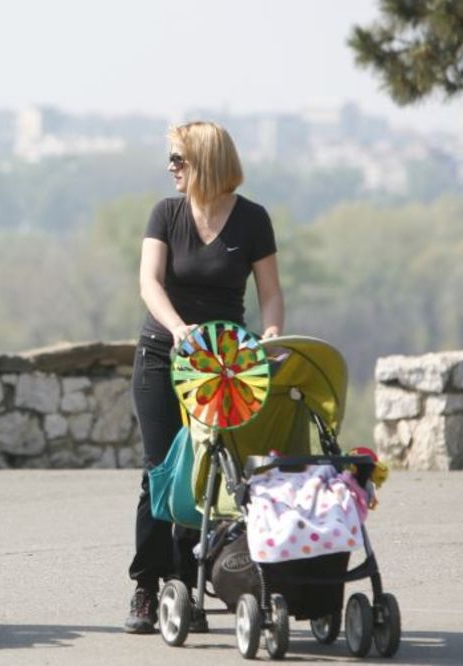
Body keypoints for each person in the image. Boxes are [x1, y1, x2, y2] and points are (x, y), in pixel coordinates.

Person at [124, 121, 284, 634]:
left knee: (211, 470)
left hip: (223, 364)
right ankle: (147, 586)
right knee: (161, 471)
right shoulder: (166, 214)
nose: (170, 167)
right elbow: (149, 283)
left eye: (179, 159)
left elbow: (270, 294)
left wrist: (271, 338)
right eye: (170, 158)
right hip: (162, 355)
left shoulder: (252, 220)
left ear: (206, 162)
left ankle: (189, 582)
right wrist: (177, 328)